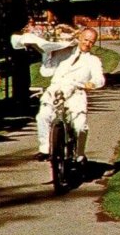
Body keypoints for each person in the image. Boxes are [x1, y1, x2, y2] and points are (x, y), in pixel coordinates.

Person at [34, 27, 105, 162]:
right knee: (43, 116)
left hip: (76, 92)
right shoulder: (63, 52)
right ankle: (45, 148)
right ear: (79, 38)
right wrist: (47, 52)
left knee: (80, 126)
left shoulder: (93, 60)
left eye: (91, 42)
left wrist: (92, 83)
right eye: (85, 40)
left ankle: (79, 154)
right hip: (56, 90)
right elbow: (46, 72)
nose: (87, 44)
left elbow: (99, 78)